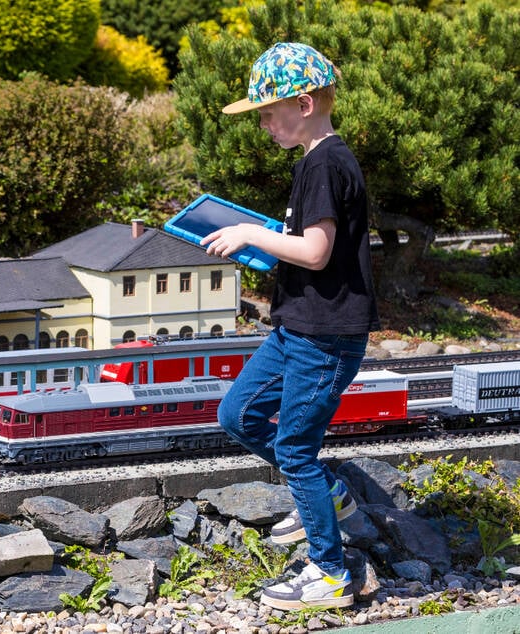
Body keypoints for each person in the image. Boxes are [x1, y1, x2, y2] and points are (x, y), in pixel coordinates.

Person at [207, 42, 380, 611]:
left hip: (325, 335)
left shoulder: (326, 163)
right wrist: (260, 239)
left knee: (295, 449)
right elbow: (309, 250)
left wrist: (251, 234)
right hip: (298, 327)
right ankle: (329, 496)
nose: (261, 121)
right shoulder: (315, 161)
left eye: (266, 110)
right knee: (236, 414)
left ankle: (329, 574)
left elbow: (314, 251)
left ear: (303, 104)